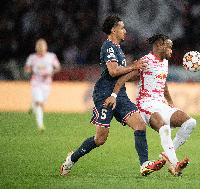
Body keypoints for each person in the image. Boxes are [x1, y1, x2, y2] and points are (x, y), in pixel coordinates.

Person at [60, 16, 165, 176]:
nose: (125, 31)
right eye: (122, 28)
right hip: (105, 96)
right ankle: (71, 159)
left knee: (140, 125)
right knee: (100, 139)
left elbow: (122, 74)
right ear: (113, 30)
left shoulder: (118, 49)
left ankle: (144, 164)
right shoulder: (108, 47)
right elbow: (113, 71)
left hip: (119, 95)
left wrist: (140, 71)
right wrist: (133, 66)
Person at [104, 34, 197, 176]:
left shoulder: (164, 62)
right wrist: (114, 95)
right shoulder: (146, 60)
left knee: (190, 122)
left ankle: (166, 154)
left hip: (161, 104)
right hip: (145, 105)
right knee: (164, 127)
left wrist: (170, 102)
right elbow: (123, 78)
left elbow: (163, 83)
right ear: (159, 45)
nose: (172, 51)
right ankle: (174, 164)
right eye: (169, 47)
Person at [24, 38, 61, 131]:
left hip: (46, 84)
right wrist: (30, 70)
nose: (41, 49)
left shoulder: (51, 56)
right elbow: (27, 68)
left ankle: (32, 106)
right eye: (39, 48)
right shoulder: (32, 57)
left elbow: (58, 67)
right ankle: (40, 126)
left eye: (43, 47)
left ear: (46, 48)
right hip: (36, 83)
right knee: (40, 103)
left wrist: (51, 72)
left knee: (41, 102)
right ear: (37, 48)